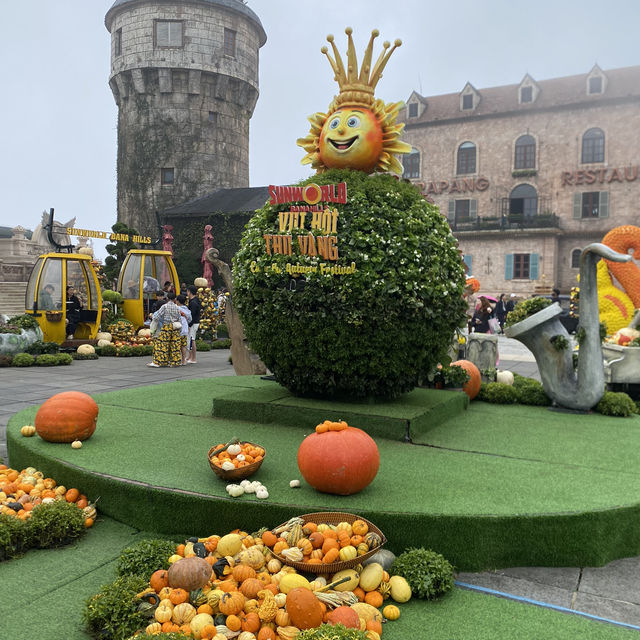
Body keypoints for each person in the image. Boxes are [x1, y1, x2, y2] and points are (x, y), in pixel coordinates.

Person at [147, 292, 182, 367]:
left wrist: (152, 316)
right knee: (174, 345)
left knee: (162, 344)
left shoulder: (164, 306)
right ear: (175, 299)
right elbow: (179, 318)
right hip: (175, 327)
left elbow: (156, 316)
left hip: (166, 327)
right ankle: (174, 362)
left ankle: (159, 362)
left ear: (167, 298)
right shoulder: (177, 307)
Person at [186, 285, 201, 363]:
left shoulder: (193, 302)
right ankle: (190, 356)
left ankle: (193, 358)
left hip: (193, 323)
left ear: (189, 292)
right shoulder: (195, 300)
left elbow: (193, 316)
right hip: (194, 322)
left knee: (192, 340)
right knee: (190, 339)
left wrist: (189, 325)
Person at [176, 294, 192, 365]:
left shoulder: (176, 308)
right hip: (185, 329)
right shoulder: (187, 309)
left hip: (177, 328)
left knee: (177, 345)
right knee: (183, 345)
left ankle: (177, 359)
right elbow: (190, 319)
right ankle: (183, 360)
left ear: (178, 301)